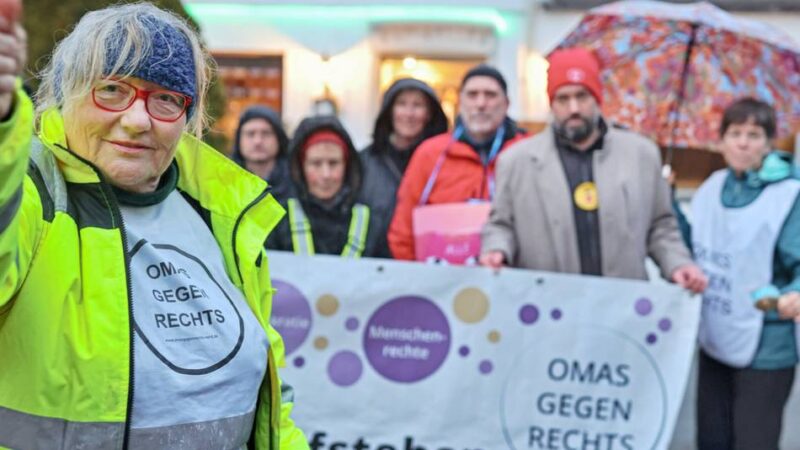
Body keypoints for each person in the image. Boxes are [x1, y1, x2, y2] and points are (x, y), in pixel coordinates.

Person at [0, 4, 307, 449]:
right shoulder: (31, 195)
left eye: (165, 98)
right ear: (66, 96)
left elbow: (271, 408)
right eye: (112, 89)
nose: (138, 121)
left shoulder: (222, 215)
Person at [480, 47, 706, 292]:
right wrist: (496, 250)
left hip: (622, 306)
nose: (574, 108)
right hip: (547, 307)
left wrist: (678, 264)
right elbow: (500, 225)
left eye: (582, 96)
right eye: (563, 99)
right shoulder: (516, 161)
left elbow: (661, 227)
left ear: (598, 98)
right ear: (551, 103)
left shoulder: (641, 155)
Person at [688, 98, 800, 450]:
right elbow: (693, 245)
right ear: (720, 140)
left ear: (768, 143)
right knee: (712, 438)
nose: (742, 142)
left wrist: (793, 294)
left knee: (753, 440)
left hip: (766, 345)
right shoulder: (711, 187)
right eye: (735, 133)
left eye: (754, 134)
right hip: (717, 336)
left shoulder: (787, 195)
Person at [388, 65, 526, 261]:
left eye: (490, 95)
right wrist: (416, 278)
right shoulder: (430, 154)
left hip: (511, 280)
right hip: (440, 283)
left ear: (506, 103)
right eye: (472, 95)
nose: (481, 103)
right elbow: (403, 229)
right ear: (460, 102)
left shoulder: (527, 152)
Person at [266, 115, 387, 258]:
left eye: (334, 163)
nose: (326, 174)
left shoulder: (372, 222)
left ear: (347, 166)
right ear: (300, 167)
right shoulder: (277, 219)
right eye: (316, 163)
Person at [360, 78, 448, 255]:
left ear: (429, 114)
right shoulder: (364, 162)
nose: (409, 113)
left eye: (418, 105)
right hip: (372, 264)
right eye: (401, 104)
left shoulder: (443, 162)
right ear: (389, 111)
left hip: (425, 263)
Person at [231, 105, 294, 203]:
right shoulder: (226, 182)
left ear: (279, 138)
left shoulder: (298, 182)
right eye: (250, 134)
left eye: (266, 133)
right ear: (239, 139)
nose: (258, 141)